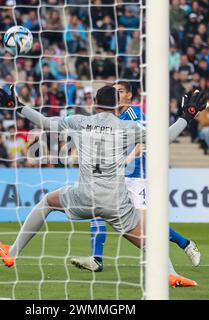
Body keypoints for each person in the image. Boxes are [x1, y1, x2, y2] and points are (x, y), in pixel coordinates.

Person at [0, 85, 208, 287]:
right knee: (148, 241)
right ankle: (169, 273)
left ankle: (13, 252)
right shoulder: (127, 126)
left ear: (95, 102)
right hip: (115, 202)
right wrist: (187, 116)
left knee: (47, 203)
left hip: (84, 196)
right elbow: (165, 138)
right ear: (117, 104)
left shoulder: (78, 122)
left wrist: (18, 107)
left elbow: (46, 123)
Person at [70, 82, 201, 274]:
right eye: (115, 91)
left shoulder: (134, 114)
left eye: (120, 91)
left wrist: (128, 158)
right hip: (114, 175)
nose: (117, 94)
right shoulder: (110, 116)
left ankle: (185, 244)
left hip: (135, 175)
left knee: (145, 225)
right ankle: (96, 259)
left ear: (129, 96)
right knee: (97, 210)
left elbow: (144, 141)